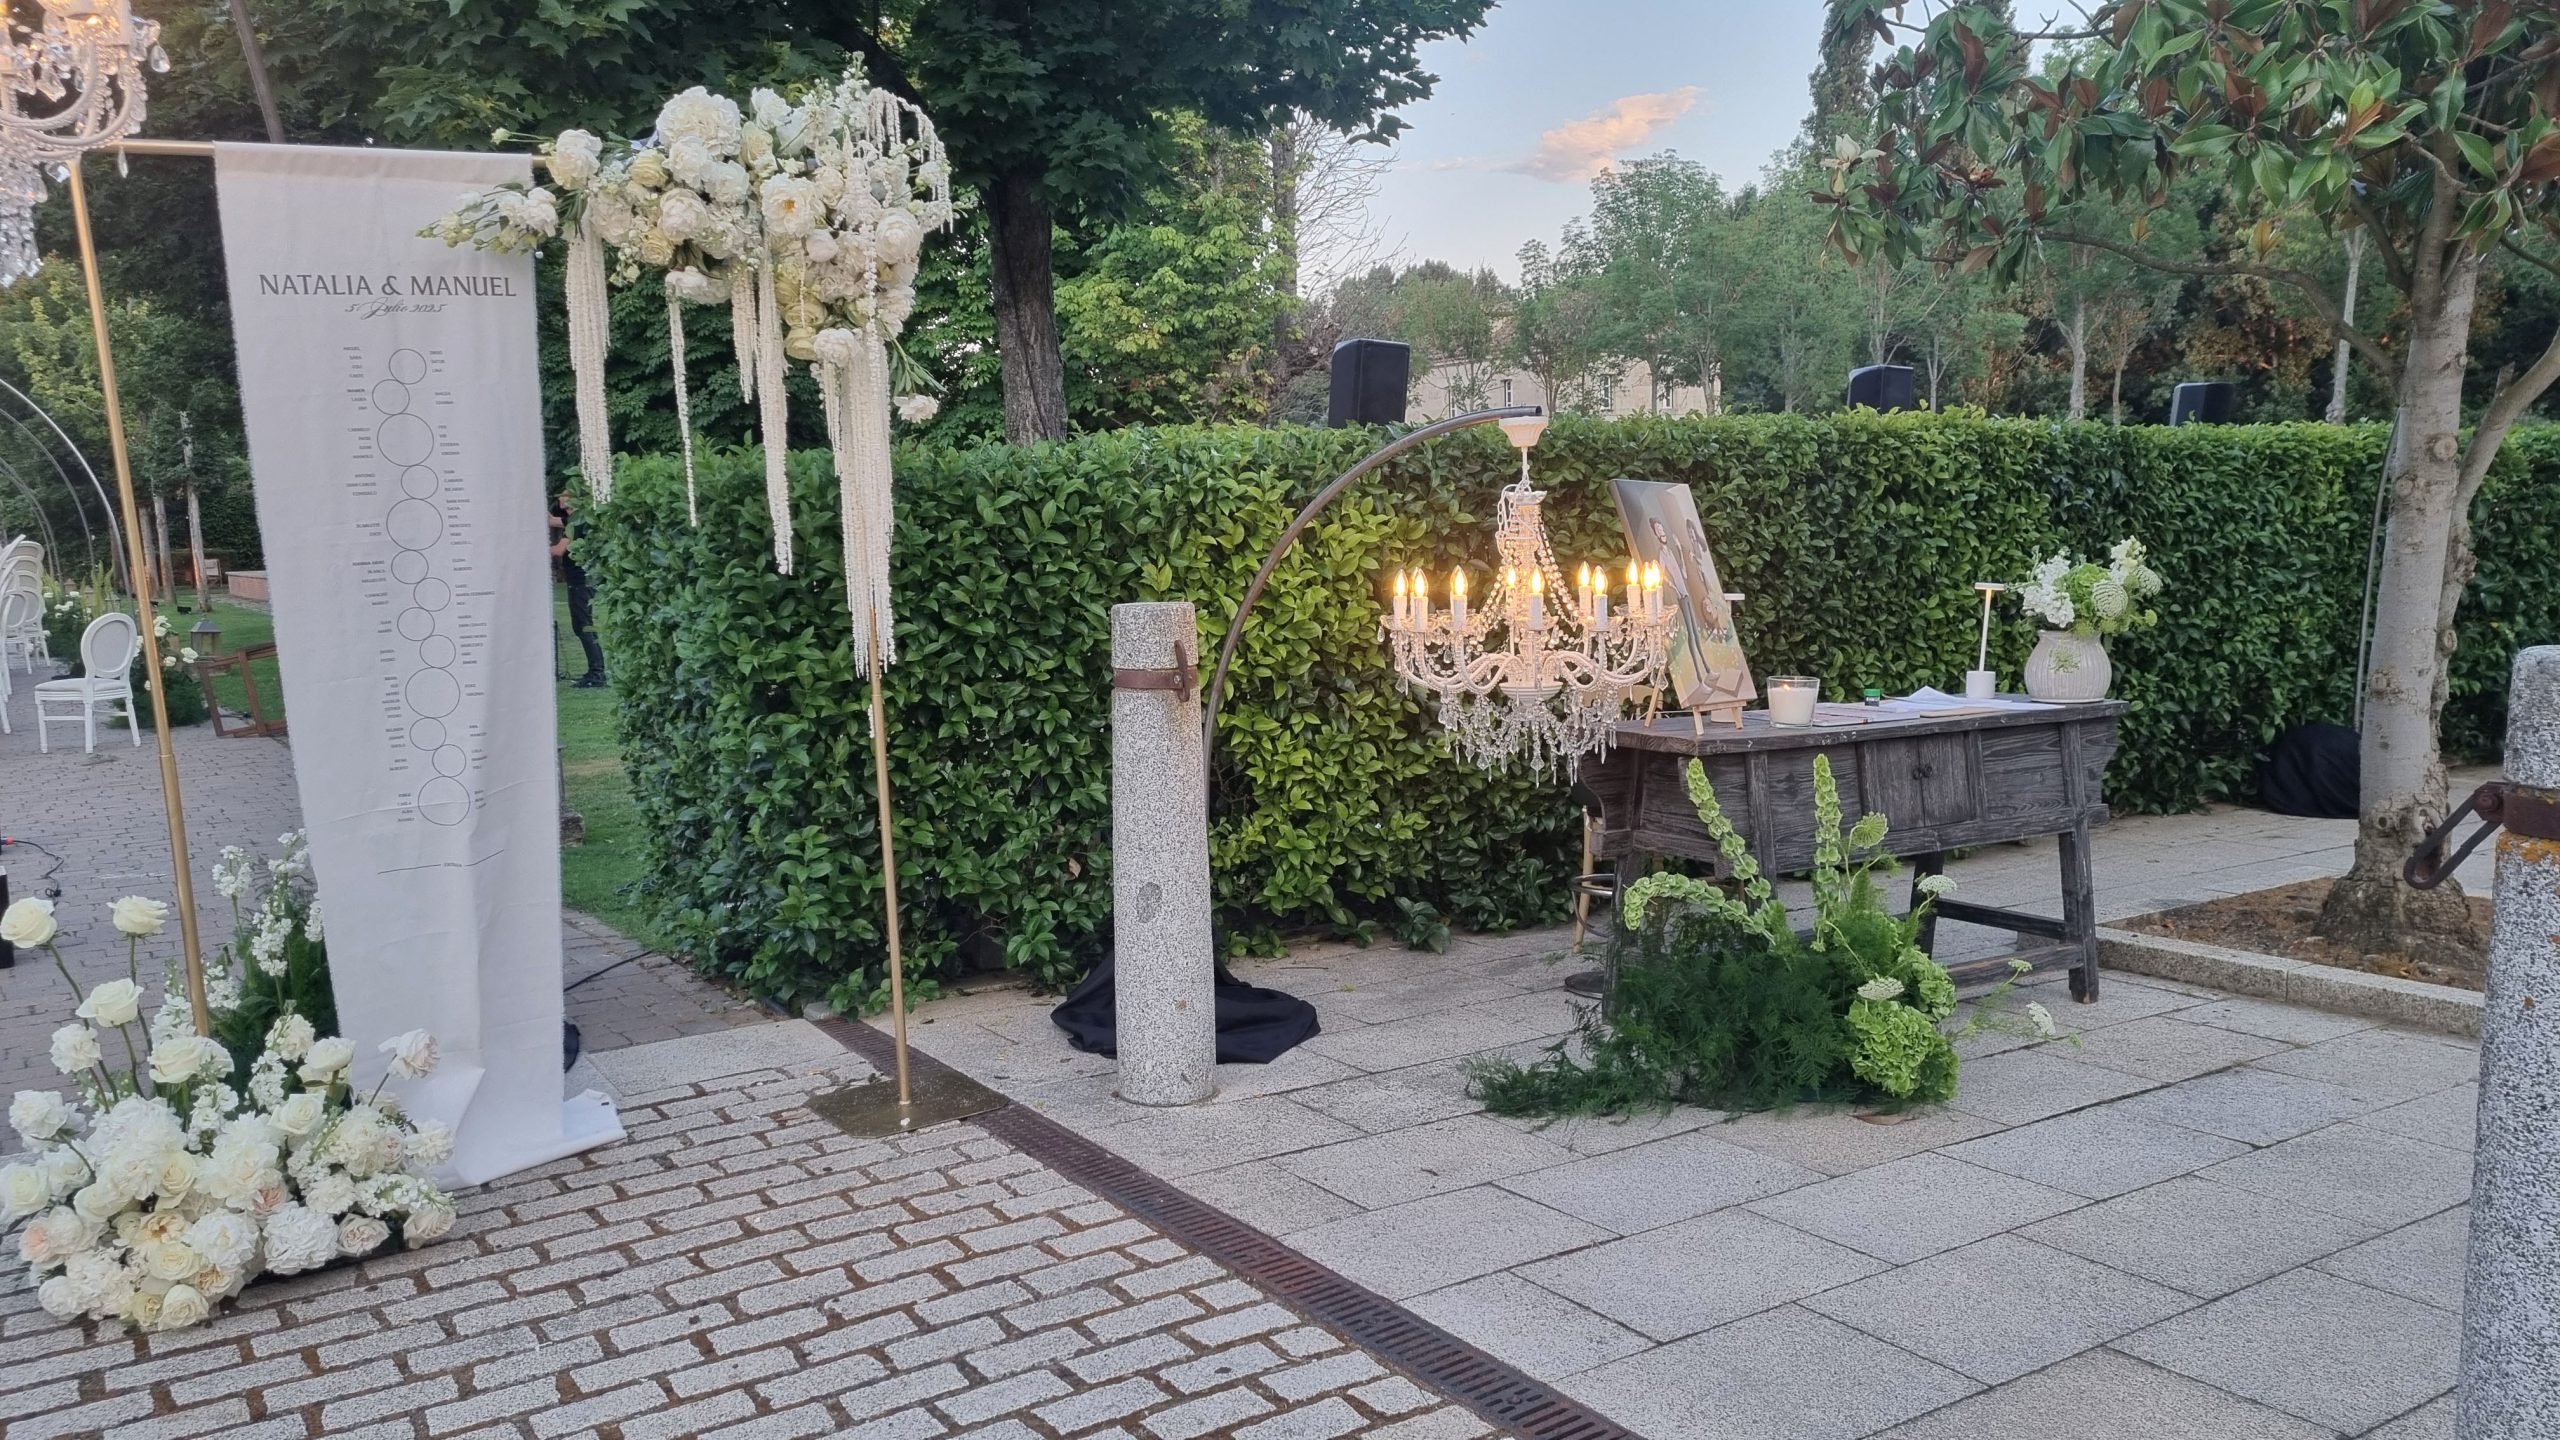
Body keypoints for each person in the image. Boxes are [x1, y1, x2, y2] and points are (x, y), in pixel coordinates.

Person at [550, 490, 606, 688]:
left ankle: (597, 673)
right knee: (582, 625)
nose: (560, 498)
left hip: (581, 581)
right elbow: (552, 521)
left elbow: (559, 550)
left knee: (583, 626)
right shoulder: (577, 519)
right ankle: (595, 671)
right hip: (581, 581)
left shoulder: (576, 523)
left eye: (563, 495)